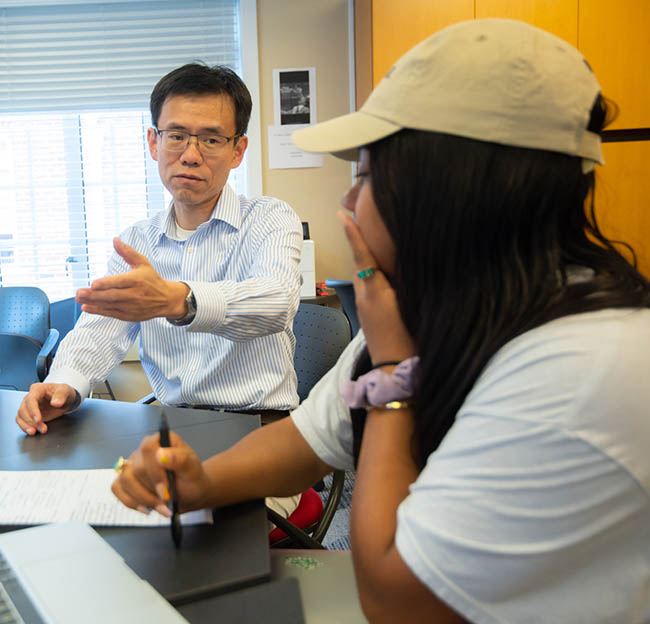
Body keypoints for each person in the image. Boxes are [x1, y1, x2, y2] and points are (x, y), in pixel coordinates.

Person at [111, 19, 650, 623]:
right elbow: (308, 439)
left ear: (453, 192)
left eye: (365, 177)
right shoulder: (437, 307)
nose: (346, 204)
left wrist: (393, 377)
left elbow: (397, 603)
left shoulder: (584, 365)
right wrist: (202, 485)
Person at [16, 63, 303, 436]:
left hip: (261, 428)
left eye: (212, 139)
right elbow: (98, 333)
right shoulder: (136, 242)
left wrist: (178, 300)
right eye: (177, 135)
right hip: (173, 427)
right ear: (154, 142)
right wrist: (64, 387)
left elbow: (276, 302)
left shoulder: (270, 218)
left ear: (238, 150)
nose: (190, 154)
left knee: (187, 497)